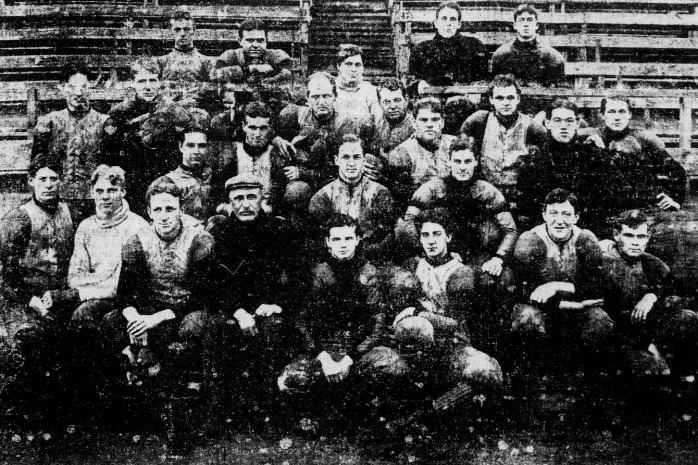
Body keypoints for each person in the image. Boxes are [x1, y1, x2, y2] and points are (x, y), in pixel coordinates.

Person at [359, 209, 502, 434]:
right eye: (425, 235)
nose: (431, 241)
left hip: (450, 348)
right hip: (411, 348)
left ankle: (427, 413)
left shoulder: (460, 272)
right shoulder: (411, 265)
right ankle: (406, 406)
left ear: (449, 237)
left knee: (488, 371)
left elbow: (455, 324)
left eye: (437, 234)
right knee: (390, 352)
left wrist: (418, 312)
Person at [102, 176, 214, 454]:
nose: (164, 216)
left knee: (192, 329)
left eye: (170, 209)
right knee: (110, 322)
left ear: (181, 209)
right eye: (158, 210)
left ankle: (183, 417)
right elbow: (125, 293)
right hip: (150, 309)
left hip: (185, 308)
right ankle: (128, 412)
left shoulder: (199, 239)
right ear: (149, 212)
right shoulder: (136, 240)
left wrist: (156, 318)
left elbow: (202, 294)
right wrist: (134, 318)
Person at [398, 137, 518, 349]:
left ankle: (492, 344)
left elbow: (510, 230)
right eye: (457, 161)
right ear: (449, 162)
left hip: (478, 255)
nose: (462, 167)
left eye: (467, 161)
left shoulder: (486, 191)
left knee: (496, 281)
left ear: (476, 162)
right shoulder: (433, 189)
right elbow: (406, 224)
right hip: (442, 256)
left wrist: (498, 258)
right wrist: (433, 251)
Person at [277, 215, 386, 427]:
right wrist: (322, 355)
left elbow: (378, 321)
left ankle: (361, 417)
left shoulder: (369, 272)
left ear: (357, 240)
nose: (343, 245)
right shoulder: (318, 272)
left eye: (348, 238)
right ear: (327, 242)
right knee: (292, 380)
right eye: (336, 239)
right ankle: (320, 414)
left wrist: (351, 357)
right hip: (326, 347)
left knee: (391, 367)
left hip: (358, 347)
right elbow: (302, 320)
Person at [206, 174, 297, 424]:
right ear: (229, 203)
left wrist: (278, 304)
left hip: (270, 308)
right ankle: (219, 410)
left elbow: (298, 275)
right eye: (238, 199)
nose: (245, 204)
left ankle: (267, 412)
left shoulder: (281, 230)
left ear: (262, 199)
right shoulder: (220, 233)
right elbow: (216, 282)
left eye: (251, 197)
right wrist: (238, 311)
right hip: (234, 309)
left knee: (271, 330)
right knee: (215, 328)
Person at [0, 156, 75, 416]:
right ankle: (26, 406)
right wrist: (28, 299)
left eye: (54, 178)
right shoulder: (18, 218)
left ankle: (62, 406)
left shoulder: (69, 212)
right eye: (42, 179)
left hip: (58, 294)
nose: (48, 185)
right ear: (31, 181)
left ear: (61, 181)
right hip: (24, 296)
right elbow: (8, 273)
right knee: (33, 338)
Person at [511, 189, 612, 371]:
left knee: (600, 321)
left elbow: (597, 287)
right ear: (544, 215)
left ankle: (587, 375)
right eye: (553, 213)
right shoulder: (530, 241)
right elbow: (524, 291)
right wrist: (570, 301)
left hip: (577, 307)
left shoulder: (586, 240)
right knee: (527, 319)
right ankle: (534, 374)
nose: (559, 220)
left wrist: (555, 286)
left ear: (576, 217)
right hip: (542, 309)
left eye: (566, 214)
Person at [601, 210, 698, 378]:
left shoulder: (652, 263)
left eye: (641, 236)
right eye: (629, 236)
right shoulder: (606, 263)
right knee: (655, 373)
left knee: (688, 317)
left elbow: (678, 292)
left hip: (648, 331)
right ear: (617, 235)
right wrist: (648, 345)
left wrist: (652, 295)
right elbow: (610, 317)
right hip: (620, 337)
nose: (635, 243)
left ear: (648, 237)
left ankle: (686, 377)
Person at [518, 98, 627, 234]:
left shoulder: (594, 157)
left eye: (569, 121)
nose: (563, 126)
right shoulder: (535, 161)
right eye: (557, 120)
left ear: (576, 123)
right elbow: (527, 210)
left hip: (588, 233)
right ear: (548, 123)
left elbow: (616, 200)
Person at [103, 59, 191, 217]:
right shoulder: (120, 112)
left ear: (160, 82)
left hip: (164, 180)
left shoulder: (174, 111)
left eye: (153, 80)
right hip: (132, 183)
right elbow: (110, 154)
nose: (148, 86)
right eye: (142, 81)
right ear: (133, 83)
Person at [32, 62, 109, 223]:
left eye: (84, 87)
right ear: (63, 88)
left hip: (93, 199)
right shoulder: (50, 122)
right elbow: (37, 162)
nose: (78, 93)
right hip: (57, 199)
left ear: (91, 88)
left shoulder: (103, 122)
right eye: (72, 87)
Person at [460, 74, 546, 215]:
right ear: (491, 99)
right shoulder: (479, 122)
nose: (505, 103)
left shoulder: (532, 127)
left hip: (520, 202)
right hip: (485, 199)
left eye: (510, 97)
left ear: (518, 99)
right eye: (500, 98)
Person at [584, 97, 686, 215]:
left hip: (642, 209)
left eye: (622, 112)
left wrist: (676, 200)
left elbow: (677, 171)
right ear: (602, 115)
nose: (617, 117)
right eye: (611, 112)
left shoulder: (644, 140)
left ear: (629, 114)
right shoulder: (593, 137)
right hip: (604, 209)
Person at [274, 72, 373, 189]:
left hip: (332, 180)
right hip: (300, 176)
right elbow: (269, 130)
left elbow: (348, 166)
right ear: (307, 98)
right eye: (315, 97)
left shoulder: (345, 124)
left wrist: (305, 173)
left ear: (335, 96)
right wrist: (277, 140)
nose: (321, 102)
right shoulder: (295, 115)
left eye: (326, 96)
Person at [309, 135, 395, 261]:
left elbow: (386, 237)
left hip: (369, 260)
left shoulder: (379, 193)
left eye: (356, 157)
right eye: (345, 157)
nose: (351, 163)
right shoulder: (323, 197)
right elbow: (317, 240)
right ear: (336, 160)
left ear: (364, 161)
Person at [211, 101, 295, 216]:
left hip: (268, 215)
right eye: (252, 128)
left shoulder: (278, 155)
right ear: (243, 126)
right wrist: (229, 209)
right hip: (236, 214)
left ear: (270, 129)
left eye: (263, 128)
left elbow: (282, 199)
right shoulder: (230, 154)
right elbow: (216, 198)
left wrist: (269, 209)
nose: (257, 134)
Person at [387, 97, 456, 207]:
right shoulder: (402, 153)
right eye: (423, 120)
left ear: (442, 122)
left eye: (435, 119)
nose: (429, 124)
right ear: (414, 123)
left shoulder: (454, 144)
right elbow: (400, 196)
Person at [408, 1, 488, 90]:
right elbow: (412, 82)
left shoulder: (474, 46)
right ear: (436, 23)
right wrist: (419, 84)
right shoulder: (421, 50)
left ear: (459, 24)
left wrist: (476, 87)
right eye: (444, 18)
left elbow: (483, 79)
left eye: (453, 19)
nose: (448, 23)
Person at [490, 4, 565, 87]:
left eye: (530, 20)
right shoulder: (501, 55)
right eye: (521, 20)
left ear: (536, 25)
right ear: (515, 25)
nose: (525, 24)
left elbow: (557, 91)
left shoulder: (552, 56)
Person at [211, 18, 293, 85]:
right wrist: (246, 70)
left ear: (267, 41)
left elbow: (288, 74)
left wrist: (273, 79)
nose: (255, 45)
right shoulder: (232, 55)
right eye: (250, 40)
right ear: (240, 41)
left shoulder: (276, 55)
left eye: (260, 41)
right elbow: (215, 74)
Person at [156, 10, 213, 107]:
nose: (182, 33)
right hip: (167, 111)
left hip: (195, 111)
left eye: (187, 29)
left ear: (194, 31)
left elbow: (211, 93)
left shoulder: (206, 62)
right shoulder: (161, 62)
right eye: (177, 29)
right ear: (172, 31)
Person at [165, 112, 213, 222]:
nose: (196, 151)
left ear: (208, 148)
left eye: (201, 146)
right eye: (190, 145)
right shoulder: (169, 181)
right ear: (180, 146)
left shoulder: (215, 178)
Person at [334, 44, 382, 128]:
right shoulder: (330, 88)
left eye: (357, 65)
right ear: (339, 66)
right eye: (348, 64)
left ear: (363, 67)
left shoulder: (370, 91)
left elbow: (379, 122)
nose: (353, 69)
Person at [370, 78, 415, 163]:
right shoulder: (376, 124)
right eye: (387, 102)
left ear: (406, 100)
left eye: (397, 100)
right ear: (380, 103)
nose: (393, 106)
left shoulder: (415, 126)